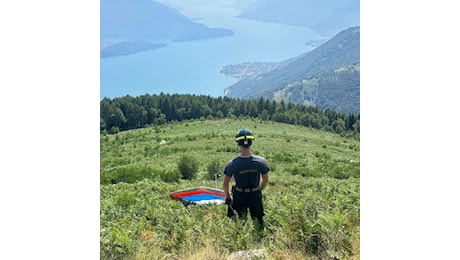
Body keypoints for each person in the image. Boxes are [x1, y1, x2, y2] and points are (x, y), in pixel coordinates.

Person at [223, 128, 270, 229]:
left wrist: (228, 196)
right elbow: (265, 180)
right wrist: (259, 190)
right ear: (251, 143)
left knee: (240, 224)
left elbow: (225, 184)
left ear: (239, 144)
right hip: (255, 195)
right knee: (258, 223)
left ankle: (241, 243)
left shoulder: (232, 164)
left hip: (239, 195)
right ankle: (258, 242)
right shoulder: (261, 161)